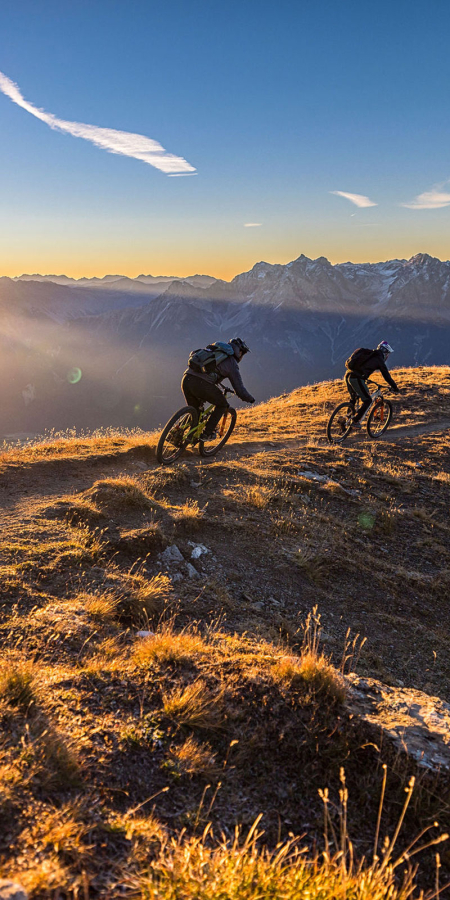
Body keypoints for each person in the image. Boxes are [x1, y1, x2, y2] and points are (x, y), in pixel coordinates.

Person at [182, 337, 255, 439]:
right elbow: (239, 388)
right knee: (223, 405)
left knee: (195, 411)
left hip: (186, 379)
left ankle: (180, 436)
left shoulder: (213, 349)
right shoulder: (231, 362)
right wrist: (250, 399)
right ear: (239, 352)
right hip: (201, 384)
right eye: (243, 354)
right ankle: (207, 433)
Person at [345, 341, 400, 428]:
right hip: (357, 378)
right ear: (385, 353)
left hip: (348, 375)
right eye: (388, 354)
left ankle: (345, 419)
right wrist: (395, 387)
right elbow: (386, 376)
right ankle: (355, 421)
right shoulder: (379, 359)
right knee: (368, 401)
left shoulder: (368, 353)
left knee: (354, 398)